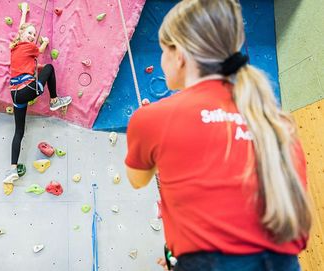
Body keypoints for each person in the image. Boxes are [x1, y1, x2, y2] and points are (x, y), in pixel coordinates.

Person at [124, 1, 312, 270]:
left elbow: (138, 179)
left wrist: (151, 135)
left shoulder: (152, 118)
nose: (162, 60)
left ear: (179, 56)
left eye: (163, 50)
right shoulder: (275, 122)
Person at [3, 2, 72, 184]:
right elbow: (40, 51)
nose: (33, 36)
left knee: (19, 131)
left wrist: (25, 12)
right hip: (26, 90)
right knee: (49, 67)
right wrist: (45, 42)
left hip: (15, 94)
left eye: (34, 34)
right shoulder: (30, 47)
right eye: (31, 34)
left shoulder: (15, 46)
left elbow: (20, 29)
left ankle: (11, 170)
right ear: (23, 35)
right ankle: (54, 100)